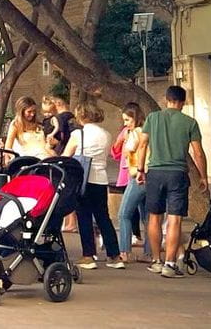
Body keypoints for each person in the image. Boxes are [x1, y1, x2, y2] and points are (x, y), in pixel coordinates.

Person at [137, 84, 207, 279]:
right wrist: (203, 176)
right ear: (183, 102)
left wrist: (141, 169)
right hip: (177, 174)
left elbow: (142, 145)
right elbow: (198, 153)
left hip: (155, 173)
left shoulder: (152, 118)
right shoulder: (190, 122)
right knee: (175, 218)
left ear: (166, 100)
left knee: (154, 217)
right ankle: (170, 263)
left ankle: (156, 260)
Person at [64, 102, 122, 269]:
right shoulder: (106, 134)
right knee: (103, 217)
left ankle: (88, 255)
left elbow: (67, 155)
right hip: (101, 179)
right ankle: (114, 255)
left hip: (84, 179)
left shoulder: (78, 134)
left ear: (82, 116)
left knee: (84, 217)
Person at [116, 102, 152, 265]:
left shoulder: (135, 133)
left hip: (137, 176)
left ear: (135, 118)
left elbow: (129, 150)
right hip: (149, 175)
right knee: (147, 216)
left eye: (127, 120)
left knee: (124, 214)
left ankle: (125, 251)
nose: (125, 124)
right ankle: (149, 252)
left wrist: (125, 138)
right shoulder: (146, 130)